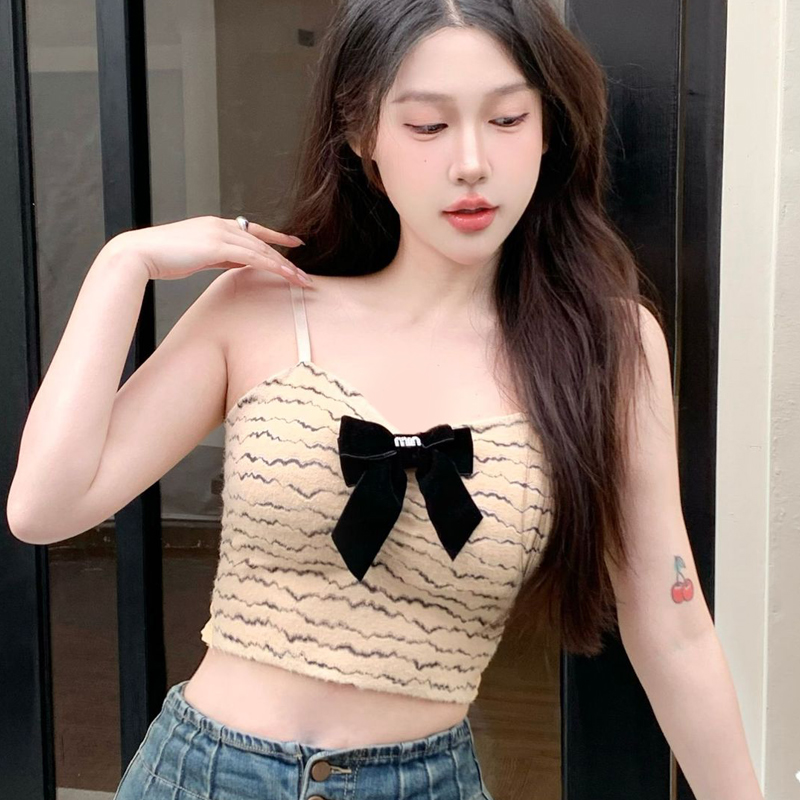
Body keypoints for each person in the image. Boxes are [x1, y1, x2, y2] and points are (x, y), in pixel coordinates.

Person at [7, 1, 765, 799]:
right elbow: (44, 510)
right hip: (203, 775)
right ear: (362, 132)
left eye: (507, 119)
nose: (471, 163)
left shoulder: (607, 346)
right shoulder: (261, 310)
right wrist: (121, 266)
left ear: (549, 129)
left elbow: (673, 626)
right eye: (428, 126)